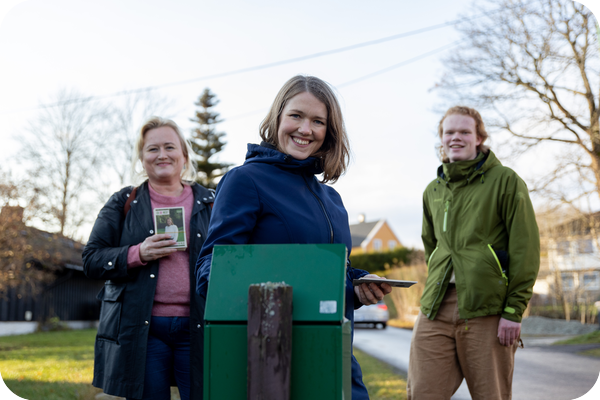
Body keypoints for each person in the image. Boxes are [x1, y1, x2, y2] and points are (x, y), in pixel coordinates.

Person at [195, 75, 392, 399]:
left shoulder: (332, 199)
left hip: (335, 350)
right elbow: (210, 272)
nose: (305, 129)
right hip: (271, 359)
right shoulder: (245, 180)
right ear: (277, 118)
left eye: (318, 121)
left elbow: (328, 276)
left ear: (329, 131)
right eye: (296, 116)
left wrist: (358, 284)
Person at [407, 106, 540, 400]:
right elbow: (432, 247)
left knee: (491, 395)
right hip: (436, 307)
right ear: (441, 139)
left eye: (464, 132)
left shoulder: (506, 181)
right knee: (421, 393)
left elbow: (525, 249)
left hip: (488, 309)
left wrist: (513, 311)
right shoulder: (433, 190)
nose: (456, 137)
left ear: (479, 138)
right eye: (449, 132)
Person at [82, 117, 214, 400]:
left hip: (199, 326)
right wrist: (136, 253)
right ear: (141, 158)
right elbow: (91, 259)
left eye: (170, 147)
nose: (162, 154)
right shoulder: (124, 202)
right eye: (153, 149)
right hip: (143, 330)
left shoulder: (212, 201)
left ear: (184, 155)